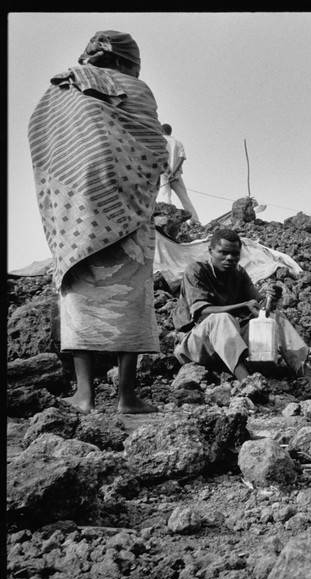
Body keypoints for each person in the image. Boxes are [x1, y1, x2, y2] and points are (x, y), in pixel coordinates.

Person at [28, 30, 168, 414]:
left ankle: (84, 395)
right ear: (123, 60)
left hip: (81, 209)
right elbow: (155, 149)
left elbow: (49, 139)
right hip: (130, 211)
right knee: (131, 299)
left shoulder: (65, 88)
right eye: (135, 65)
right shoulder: (138, 90)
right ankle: (126, 397)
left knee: (80, 295)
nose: (137, 72)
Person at [172, 228, 309, 381]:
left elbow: (260, 309)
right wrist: (243, 306)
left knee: (275, 316)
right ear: (211, 251)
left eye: (235, 254)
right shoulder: (196, 270)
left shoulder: (239, 273)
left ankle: (303, 370)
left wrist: (271, 299)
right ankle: (246, 381)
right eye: (223, 253)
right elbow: (202, 313)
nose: (230, 258)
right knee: (222, 318)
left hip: (227, 344)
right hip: (196, 346)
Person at [156, 123, 200, 224]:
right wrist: (174, 172)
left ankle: (166, 219)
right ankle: (195, 221)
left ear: (161, 131)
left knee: (165, 195)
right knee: (184, 197)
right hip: (176, 175)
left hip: (163, 172)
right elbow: (181, 158)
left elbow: (159, 156)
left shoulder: (160, 141)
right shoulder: (178, 143)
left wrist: (167, 170)